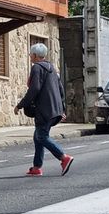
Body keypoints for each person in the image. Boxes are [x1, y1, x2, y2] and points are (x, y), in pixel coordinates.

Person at [14, 43, 74, 176]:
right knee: (38, 137)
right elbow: (60, 89)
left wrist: (20, 105)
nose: (30, 56)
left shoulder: (36, 68)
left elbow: (34, 89)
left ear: (35, 55)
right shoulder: (51, 68)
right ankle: (36, 167)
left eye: (31, 54)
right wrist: (62, 109)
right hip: (54, 109)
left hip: (44, 111)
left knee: (42, 136)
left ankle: (63, 157)